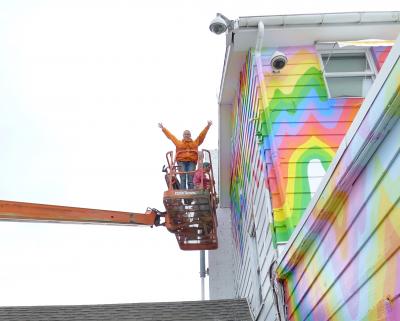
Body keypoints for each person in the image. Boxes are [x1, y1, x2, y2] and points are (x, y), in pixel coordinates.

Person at [158, 121, 212, 189]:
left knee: (190, 178)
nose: (187, 135)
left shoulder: (195, 143)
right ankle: (182, 192)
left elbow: (202, 136)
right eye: (185, 134)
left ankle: (191, 195)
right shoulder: (179, 143)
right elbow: (171, 136)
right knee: (183, 178)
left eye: (188, 134)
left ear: (190, 135)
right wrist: (163, 128)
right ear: (183, 135)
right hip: (181, 161)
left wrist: (207, 126)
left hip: (191, 162)